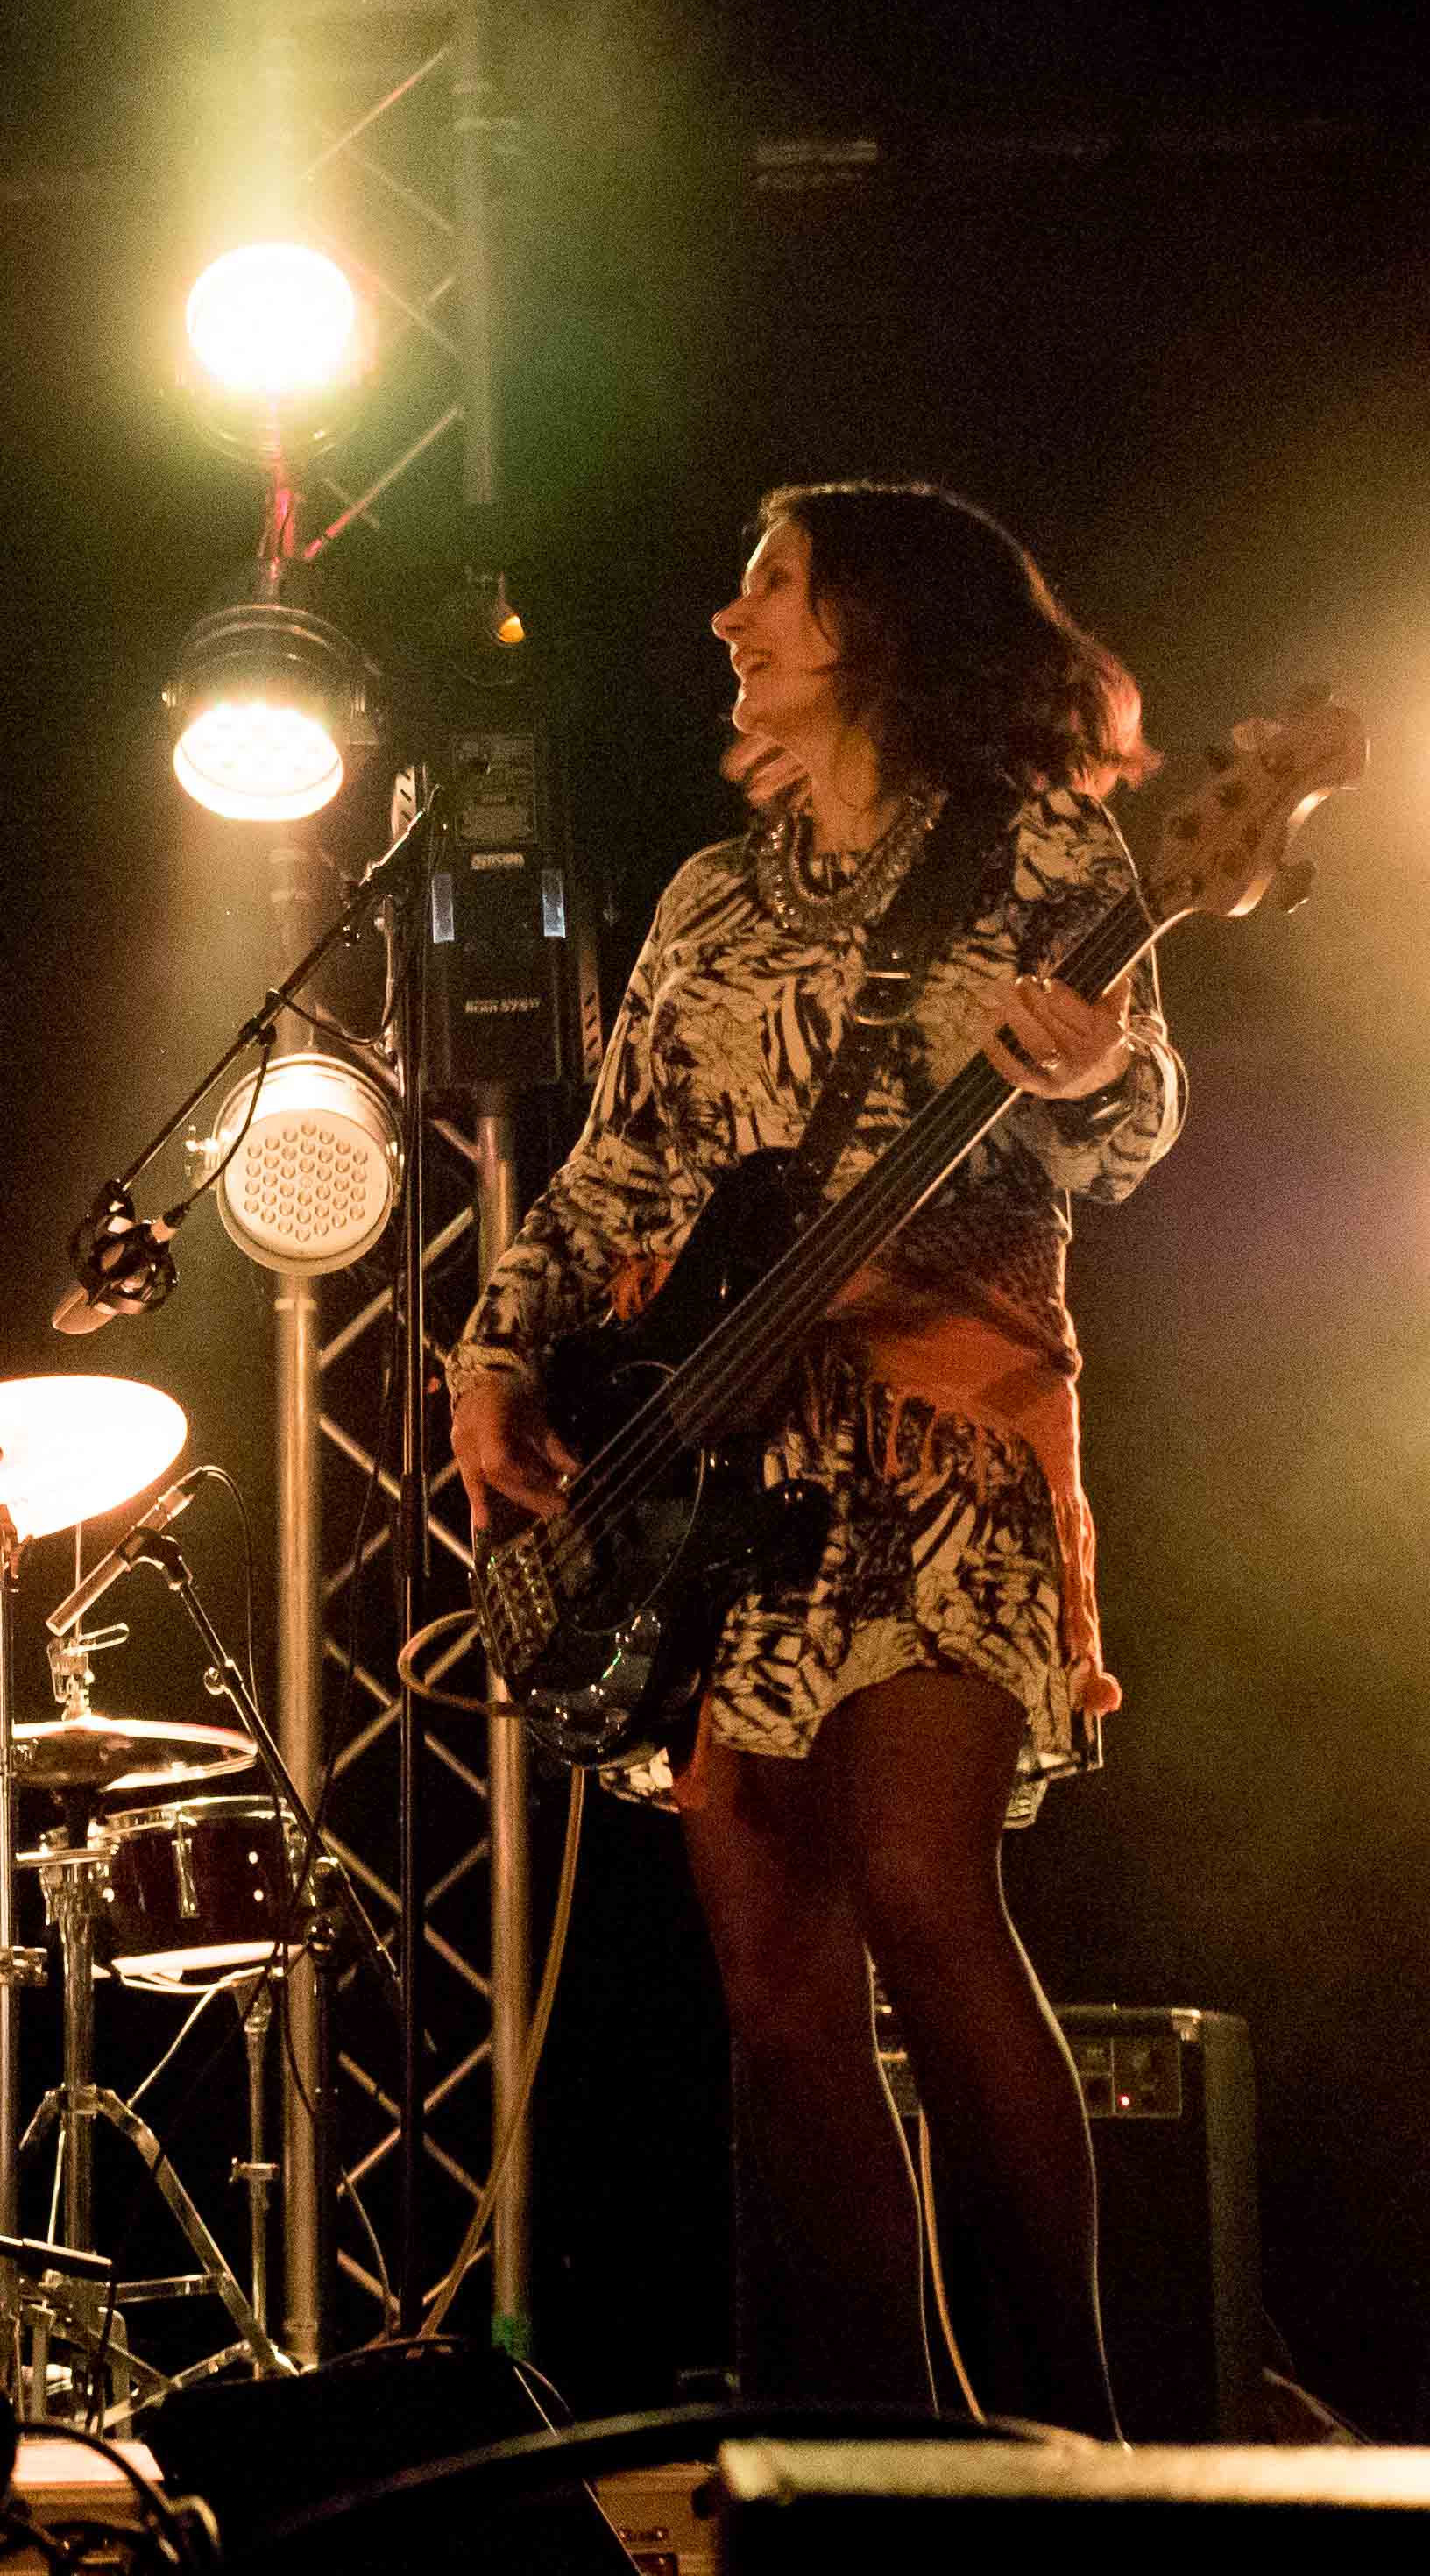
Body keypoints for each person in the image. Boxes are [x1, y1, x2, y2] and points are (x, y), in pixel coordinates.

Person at [449, 480, 1176, 2434]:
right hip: (739, 1475)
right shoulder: (712, 899)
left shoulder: (1042, 846)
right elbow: (623, 1166)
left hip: (948, 1430)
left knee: (925, 1889)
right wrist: (495, 1350)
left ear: (875, 618)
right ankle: (907, 2465)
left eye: (769, 583)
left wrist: (1099, 1066)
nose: (728, 619)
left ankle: (1092, 2447)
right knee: (775, 1988)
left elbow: (1128, 1137)